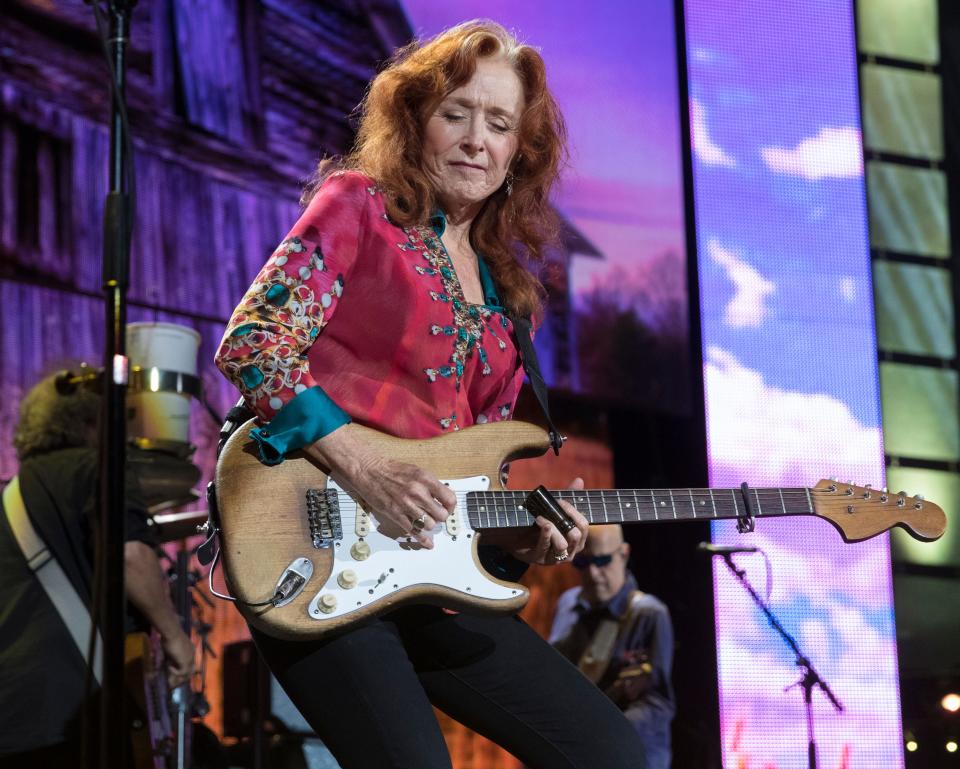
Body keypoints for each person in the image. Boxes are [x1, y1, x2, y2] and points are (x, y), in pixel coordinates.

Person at [214, 19, 648, 769]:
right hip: (315, 551)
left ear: (520, 151)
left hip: (431, 574)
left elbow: (469, 480)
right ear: (416, 120)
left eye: (500, 123)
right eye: (458, 113)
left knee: (608, 750)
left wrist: (525, 538)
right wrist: (361, 464)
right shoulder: (361, 206)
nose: (478, 138)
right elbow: (255, 341)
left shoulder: (510, 293)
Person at [0, 372, 196, 765]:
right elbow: (131, 556)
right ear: (94, 421)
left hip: (14, 712)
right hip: (75, 710)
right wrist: (174, 636)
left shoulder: (12, 494)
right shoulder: (96, 467)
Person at [549, 525, 675, 769]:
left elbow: (657, 704)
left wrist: (603, 731)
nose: (593, 573)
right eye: (582, 563)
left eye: (603, 560)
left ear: (624, 554)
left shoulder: (648, 613)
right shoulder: (567, 604)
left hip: (628, 756)